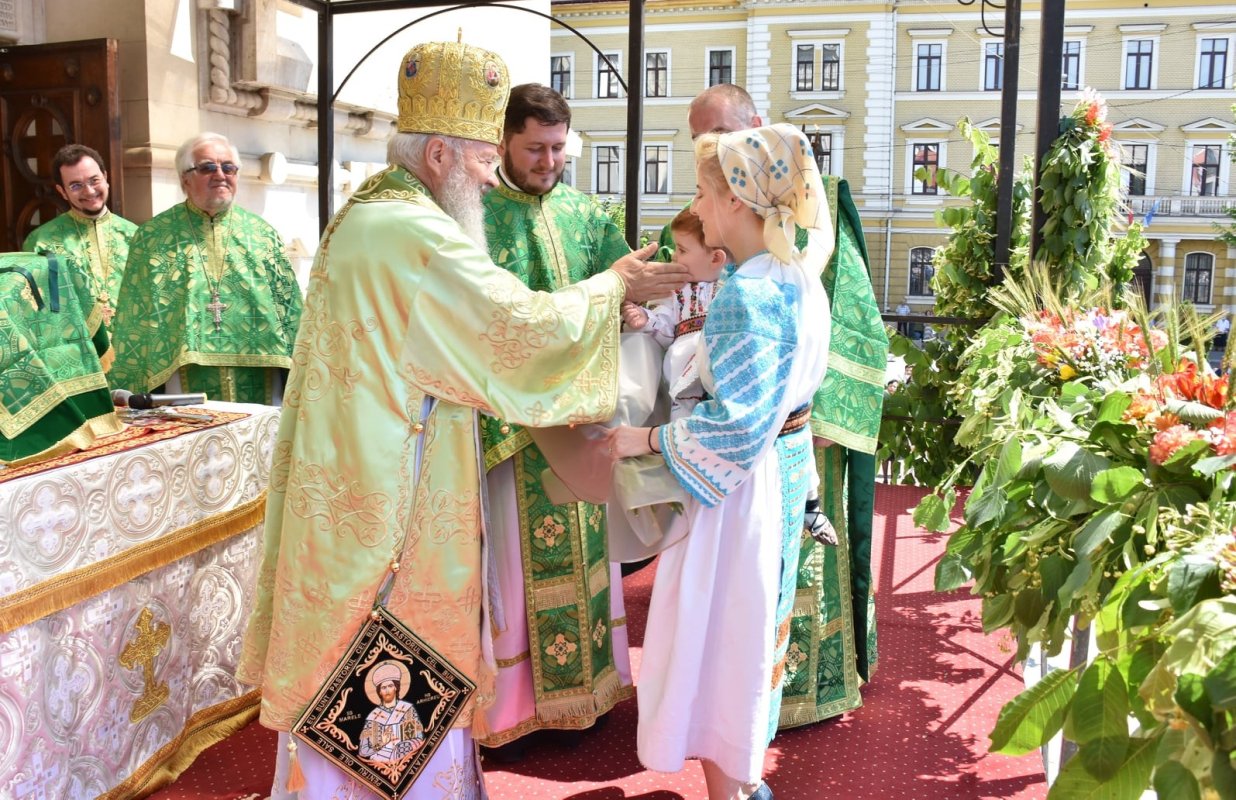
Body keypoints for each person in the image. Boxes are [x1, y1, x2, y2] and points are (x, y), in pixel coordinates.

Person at [236, 40, 688, 800]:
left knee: (362, 677)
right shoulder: (415, 234)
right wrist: (612, 286)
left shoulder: (369, 213)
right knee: (389, 667)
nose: (489, 174)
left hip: (361, 479)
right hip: (393, 509)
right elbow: (517, 329)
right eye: (483, 157)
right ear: (440, 152)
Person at [609, 124, 832, 800]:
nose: (699, 208)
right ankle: (739, 783)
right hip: (779, 470)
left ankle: (730, 788)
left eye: (707, 192)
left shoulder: (749, 293)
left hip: (738, 494)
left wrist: (641, 442)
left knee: (720, 635)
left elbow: (733, 429)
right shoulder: (791, 273)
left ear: (739, 200)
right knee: (752, 629)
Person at [679, 85, 889, 729]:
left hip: (793, 435)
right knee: (750, 599)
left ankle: (781, 710)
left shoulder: (813, 216)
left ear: (755, 131)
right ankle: (747, 728)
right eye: (700, 145)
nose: (708, 155)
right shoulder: (706, 216)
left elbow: (854, 324)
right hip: (743, 433)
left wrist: (815, 418)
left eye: (721, 140)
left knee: (775, 583)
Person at [478, 82, 636, 754]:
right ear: (505, 142)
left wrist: (635, 303)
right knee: (515, 564)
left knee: (586, 552)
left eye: (557, 149)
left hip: (583, 419)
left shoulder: (584, 212)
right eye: (535, 148)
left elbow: (624, 276)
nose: (548, 161)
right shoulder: (475, 216)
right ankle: (514, 707)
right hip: (513, 427)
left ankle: (588, 693)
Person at [108, 132, 303, 403]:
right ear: (184, 179)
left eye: (229, 167)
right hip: (184, 372)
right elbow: (135, 315)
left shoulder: (262, 234)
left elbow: (289, 309)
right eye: (208, 167)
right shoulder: (154, 236)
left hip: (260, 370)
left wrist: (306, 371)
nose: (221, 175)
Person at [23, 144, 138, 368]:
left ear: (105, 177)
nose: (89, 191)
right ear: (62, 191)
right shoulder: (42, 242)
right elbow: (35, 313)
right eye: (76, 185)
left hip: (133, 358)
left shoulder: (136, 236)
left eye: (94, 180)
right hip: (75, 362)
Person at [622, 207, 727, 418]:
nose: (674, 256)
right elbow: (666, 331)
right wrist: (646, 319)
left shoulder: (732, 288)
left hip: (720, 366)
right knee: (683, 419)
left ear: (715, 258)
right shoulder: (677, 292)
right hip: (683, 375)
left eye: (682, 250)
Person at [358, 662, 425, 763]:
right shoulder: (373, 718)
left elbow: (420, 738)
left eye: (390, 686)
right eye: (383, 688)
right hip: (380, 762)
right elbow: (363, 751)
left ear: (396, 687)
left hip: (406, 757)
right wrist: (382, 744)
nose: (387, 690)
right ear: (379, 691)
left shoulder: (407, 709)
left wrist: (402, 747)